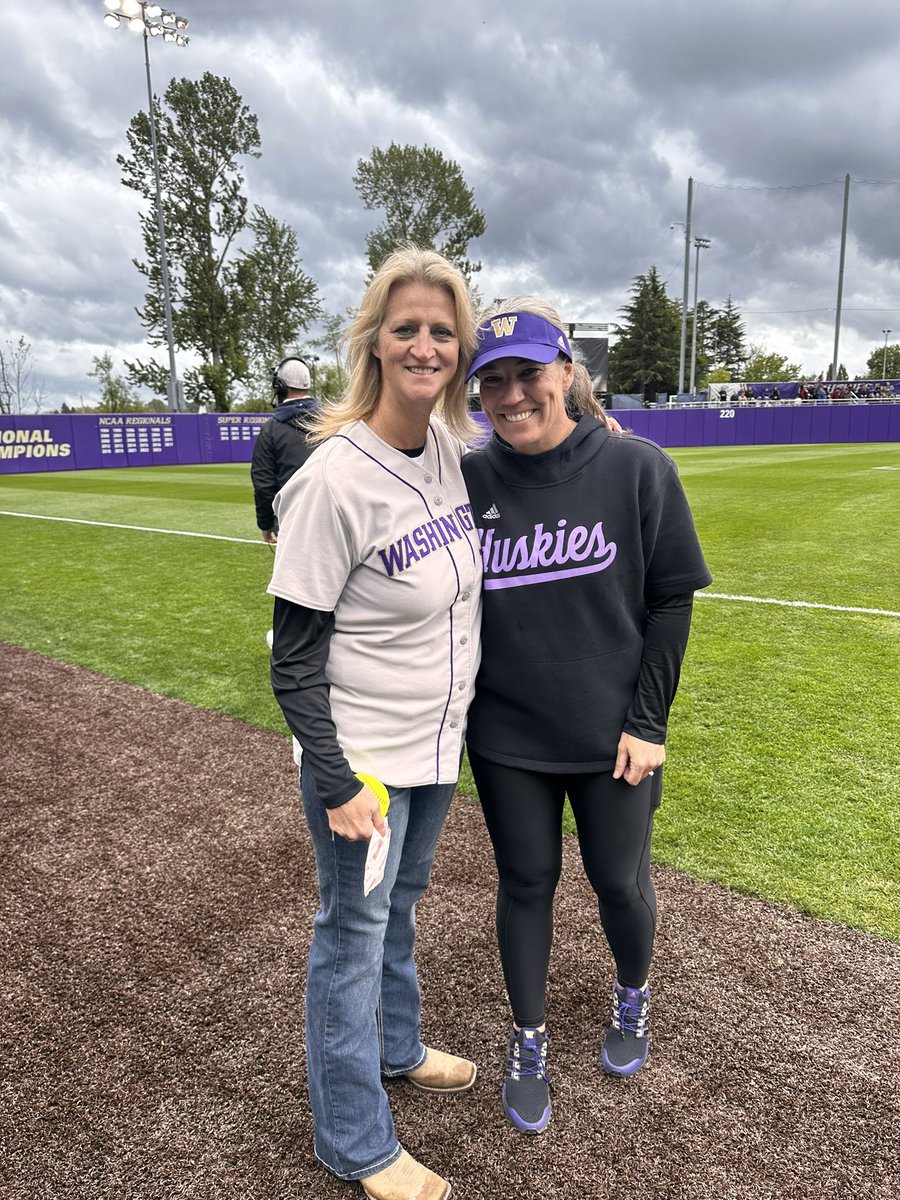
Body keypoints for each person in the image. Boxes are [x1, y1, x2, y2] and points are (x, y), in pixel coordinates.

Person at [460, 298, 712, 1136]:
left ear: (567, 372)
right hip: (507, 738)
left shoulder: (638, 468)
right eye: (491, 381)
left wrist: (649, 721)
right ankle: (527, 1036)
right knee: (525, 882)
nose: (511, 394)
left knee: (617, 882)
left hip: (615, 735)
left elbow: (671, 600)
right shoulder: (465, 481)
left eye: (527, 373)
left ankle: (633, 996)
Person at [267, 247, 482, 1200]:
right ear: (375, 343)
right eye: (407, 329)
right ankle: (353, 1140)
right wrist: (338, 779)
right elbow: (293, 659)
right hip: (368, 763)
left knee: (399, 906)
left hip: (436, 745)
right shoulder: (331, 478)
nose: (425, 345)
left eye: (443, 330)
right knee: (351, 932)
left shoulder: (443, 447)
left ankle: (396, 1049)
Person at [250, 356, 319, 546]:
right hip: (336, 518)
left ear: (279, 386)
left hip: (292, 522)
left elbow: (263, 484)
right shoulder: (334, 422)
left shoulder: (271, 429)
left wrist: (265, 524)